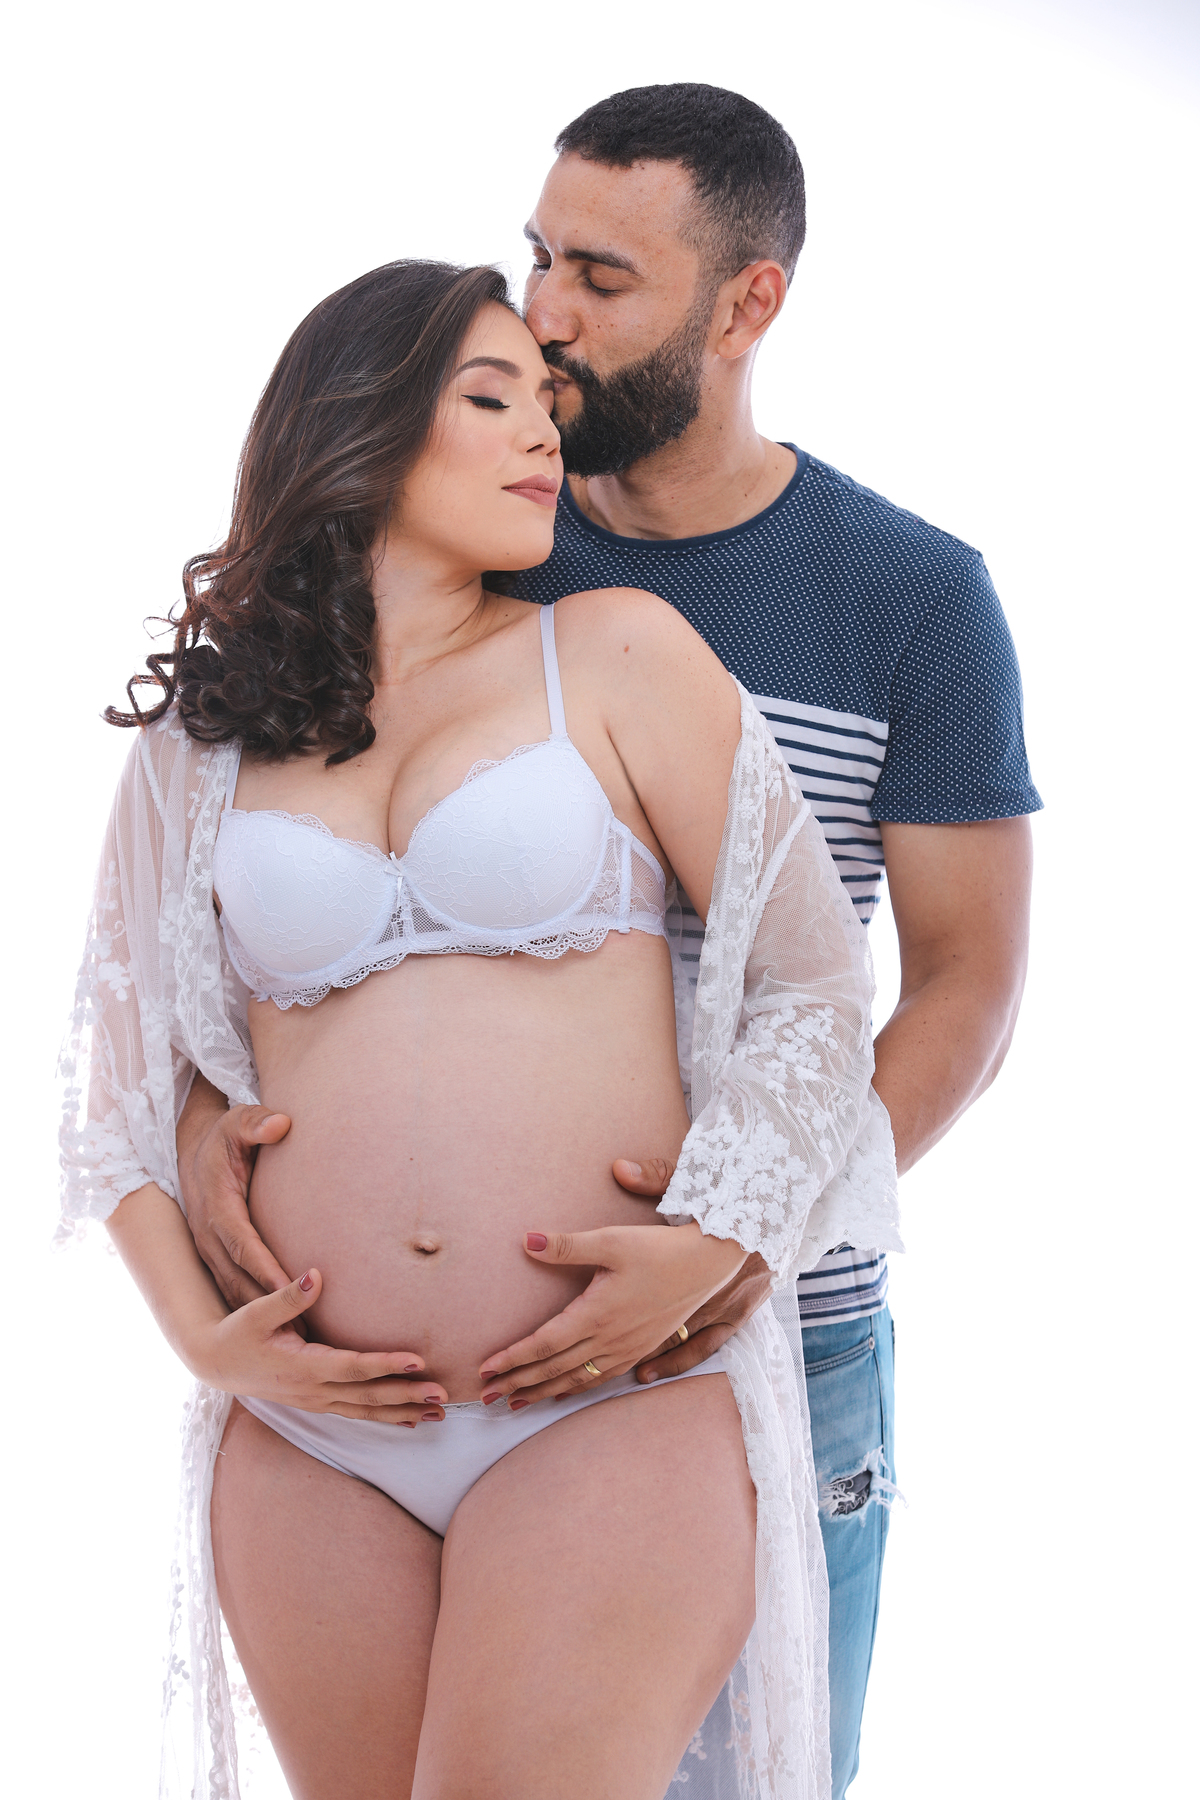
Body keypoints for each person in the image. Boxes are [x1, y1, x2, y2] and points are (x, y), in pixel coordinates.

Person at [174, 86, 1040, 1798]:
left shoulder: (909, 597)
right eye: (539, 259)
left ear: (748, 304)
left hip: (769, 1331)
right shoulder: (475, 535)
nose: (548, 317)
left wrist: (742, 1235)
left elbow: (966, 983)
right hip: (383, 1395)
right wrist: (208, 1118)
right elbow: (262, 882)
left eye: (604, 277)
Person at [59, 258, 901, 1800]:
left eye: (547, 404)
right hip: (315, 1436)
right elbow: (116, 1089)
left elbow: (815, 980)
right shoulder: (200, 740)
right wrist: (200, 1335)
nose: (542, 436)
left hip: (607, 1400)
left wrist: (724, 1234)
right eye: (490, 396)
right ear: (360, 424)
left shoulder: (620, 654)